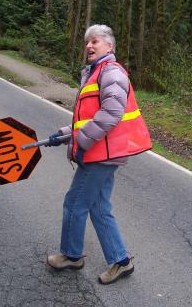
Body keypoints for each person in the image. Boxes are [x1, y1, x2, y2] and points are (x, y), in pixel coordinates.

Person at [46, 24, 152, 285]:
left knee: (75, 204)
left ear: (110, 46)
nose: (89, 46)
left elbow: (112, 114)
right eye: (87, 42)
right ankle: (121, 261)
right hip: (103, 151)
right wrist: (63, 134)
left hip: (100, 154)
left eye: (95, 41)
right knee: (98, 207)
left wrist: (81, 140)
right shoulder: (95, 73)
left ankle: (71, 255)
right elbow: (90, 119)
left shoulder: (112, 73)